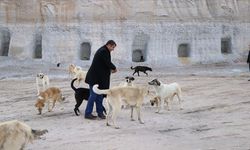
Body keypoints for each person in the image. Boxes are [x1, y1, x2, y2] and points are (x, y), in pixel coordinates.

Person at [84, 40, 117, 119]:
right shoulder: (103, 51)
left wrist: (110, 69)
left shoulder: (104, 50)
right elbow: (107, 62)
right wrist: (114, 68)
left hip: (99, 78)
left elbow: (103, 64)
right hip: (94, 78)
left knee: (99, 96)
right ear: (109, 45)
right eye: (113, 47)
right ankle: (88, 113)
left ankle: (100, 113)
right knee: (93, 95)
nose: (113, 49)